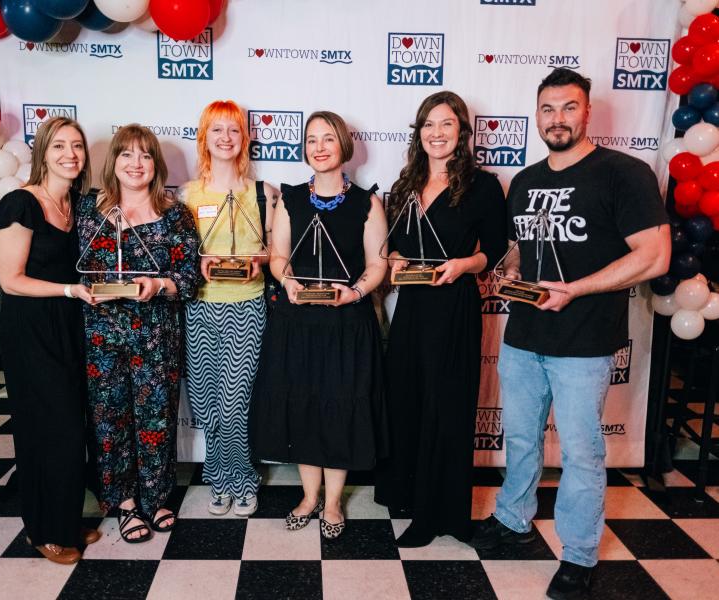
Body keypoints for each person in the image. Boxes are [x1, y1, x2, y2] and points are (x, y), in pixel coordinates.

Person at [469, 68, 670, 599]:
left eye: (569, 107)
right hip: (523, 336)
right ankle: (513, 521)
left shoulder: (623, 174)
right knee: (519, 438)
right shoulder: (528, 180)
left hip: (584, 341)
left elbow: (654, 256)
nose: (558, 119)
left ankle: (578, 554)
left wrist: (576, 288)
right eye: (548, 109)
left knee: (582, 453)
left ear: (588, 112)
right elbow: (522, 246)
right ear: (536, 116)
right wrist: (509, 270)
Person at [373, 91, 506, 548]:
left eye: (446, 124)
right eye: (429, 124)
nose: (437, 133)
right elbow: (391, 243)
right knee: (408, 399)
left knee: (447, 407)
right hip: (411, 307)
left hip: (454, 306)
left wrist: (463, 265)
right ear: (419, 132)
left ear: (462, 131)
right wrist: (391, 260)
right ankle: (409, 497)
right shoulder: (406, 183)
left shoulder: (483, 186)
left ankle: (443, 514)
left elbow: (494, 250)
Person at [249, 111, 388, 539]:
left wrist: (356, 293)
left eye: (328, 138)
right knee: (304, 407)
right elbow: (278, 257)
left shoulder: (368, 202)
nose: (320, 146)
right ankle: (308, 497)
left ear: (344, 146)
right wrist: (287, 282)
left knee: (339, 407)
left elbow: (377, 264)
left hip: (347, 323)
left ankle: (332, 503)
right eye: (312, 139)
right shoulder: (289, 197)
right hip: (298, 322)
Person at [0, 116, 100, 564]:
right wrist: (69, 290)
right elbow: (10, 280)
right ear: (42, 154)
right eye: (59, 147)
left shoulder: (75, 205)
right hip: (32, 329)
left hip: (69, 325)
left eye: (77, 146)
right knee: (47, 431)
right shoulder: (21, 203)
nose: (70, 154)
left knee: (72, 427)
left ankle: (66, 521)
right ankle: (43, 530)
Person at [77, 124, 200, 543]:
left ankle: (157, 496)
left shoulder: (174, 214)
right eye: (126, 154)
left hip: (156, 334)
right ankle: (124, 503)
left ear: (156, 165)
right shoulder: (90, 211)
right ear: (113, 162)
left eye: (145, 155)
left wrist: (157, 285)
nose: (135, 163)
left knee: (156, 418)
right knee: (109, 419)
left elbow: (187, 280)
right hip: (102, 334)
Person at [180, 100, 278, 516]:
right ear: (204, 137)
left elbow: (279, 253)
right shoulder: (188, 193)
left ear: (245, 138)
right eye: (217, 130)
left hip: (246, 306)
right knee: (206, 403)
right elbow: (180, 254)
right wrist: (196, 262)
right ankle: (219, 479)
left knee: (235, 402)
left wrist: (260, 258)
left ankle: (243, 480)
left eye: (233, 130)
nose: (225, 138)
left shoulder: (264, 193)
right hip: (200, 309)